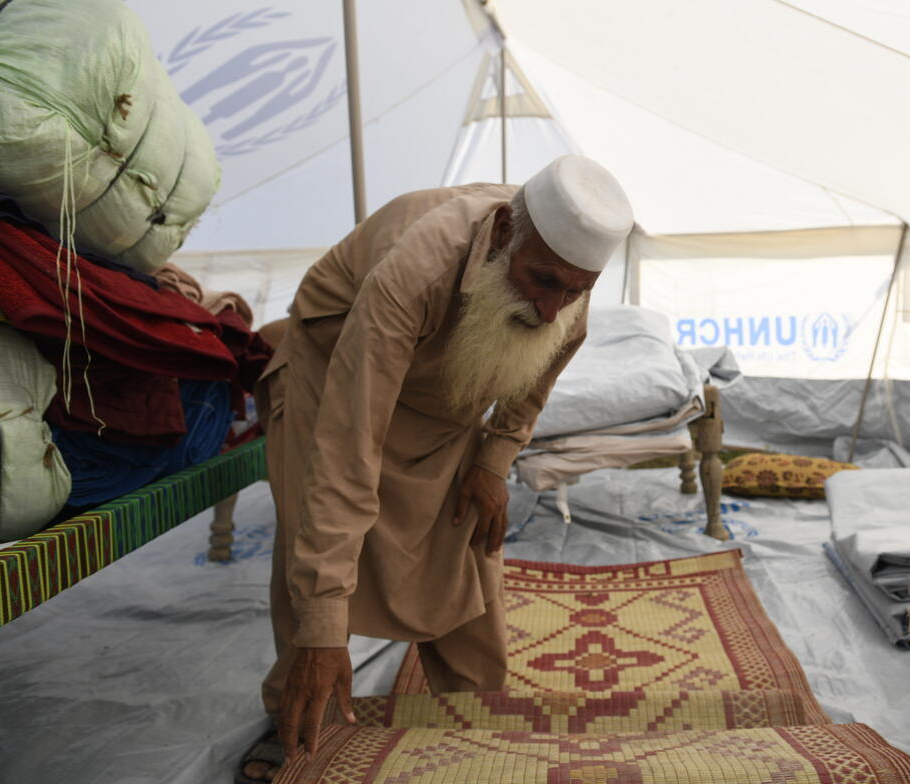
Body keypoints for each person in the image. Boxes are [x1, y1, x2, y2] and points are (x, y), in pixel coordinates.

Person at [238, 156, 634, 782]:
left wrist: (494, 459)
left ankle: (470, 708)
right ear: (504, 232)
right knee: (313, 536)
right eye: (543, 281)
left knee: (464, 545)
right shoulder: (418, 268)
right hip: (332, 371)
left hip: (440, 401)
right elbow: (348, 444)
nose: (551, 307)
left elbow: (537, 376)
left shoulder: (565, 291)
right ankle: (299, 705)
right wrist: (324, 628)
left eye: (573, 291)